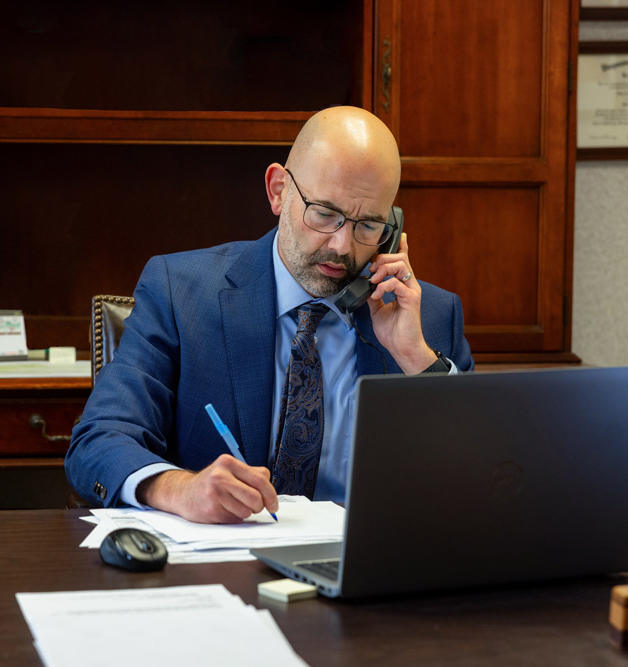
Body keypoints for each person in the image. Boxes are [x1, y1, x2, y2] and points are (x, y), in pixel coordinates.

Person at [65, 106, 473, 523]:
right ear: (278, 191)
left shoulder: (430, 318)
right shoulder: (180, 292)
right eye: (325, 214)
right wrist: (180, 489)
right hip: (225, 554)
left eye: (368, 225)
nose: (342, 246)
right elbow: (100, 439)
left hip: (365, 556)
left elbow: (483, 479)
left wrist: (416, 359)